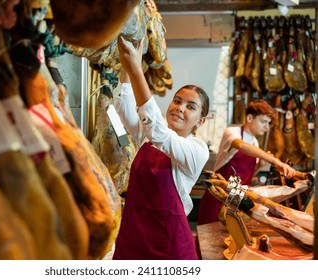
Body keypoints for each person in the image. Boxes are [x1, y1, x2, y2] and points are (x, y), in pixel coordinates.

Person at [112, 36, 210, 260]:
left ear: (200, 121)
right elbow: (124, 107)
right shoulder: (147, 139)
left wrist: (137, 68)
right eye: (177, 101)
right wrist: (126, 66)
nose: (179, 108)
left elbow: (159, 132)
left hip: (168, 241)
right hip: (134, 235)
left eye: (190, 107)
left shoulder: (197, 150)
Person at [197, 99, 297, 225]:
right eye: (263, 122)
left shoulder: (255, 142)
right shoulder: (233, 132)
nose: (267, 127)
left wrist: (260, 166)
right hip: (218, 196)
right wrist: (276, 161)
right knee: (209, 239)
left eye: (268, 123)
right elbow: (240, 145)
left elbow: (246, 175)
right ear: (250, 118)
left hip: (238, 200)